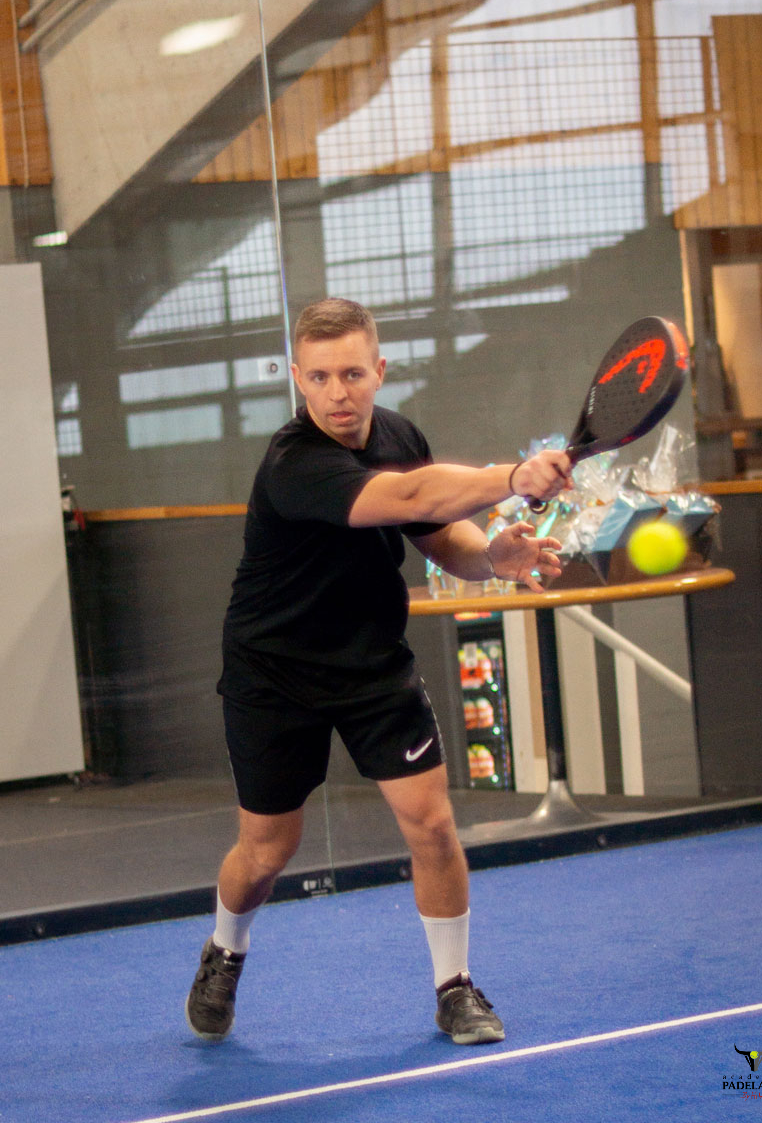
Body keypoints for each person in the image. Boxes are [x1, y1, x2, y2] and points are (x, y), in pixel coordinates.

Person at [186, 297, 572, 1046]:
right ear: (299, 379)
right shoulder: (293, 462)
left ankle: (454, 988)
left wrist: (493, 557)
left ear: (379, 370)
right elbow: (409, 495)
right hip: (274, 674)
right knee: (267, 851)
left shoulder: (398, 434)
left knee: (431, 823)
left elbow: (437, 532)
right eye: (322, 377)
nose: (339, 393)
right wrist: (515, 475)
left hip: (371, 666)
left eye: (354, 373)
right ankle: (225, 948)